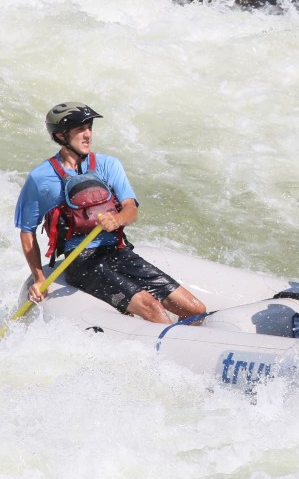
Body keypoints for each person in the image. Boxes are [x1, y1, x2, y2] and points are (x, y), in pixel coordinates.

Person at [15, 103, 206, 324]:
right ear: (60, 135)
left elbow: (131, 210)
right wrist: (39, 278)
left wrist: (117, 219)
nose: (88, 134)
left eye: (89, 127)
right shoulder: (41, 178)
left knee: (196, 310)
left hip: (118, 252)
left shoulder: (108, 165)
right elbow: (27, 231)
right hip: (81, 261)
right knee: (153, 309)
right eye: (80, 129)